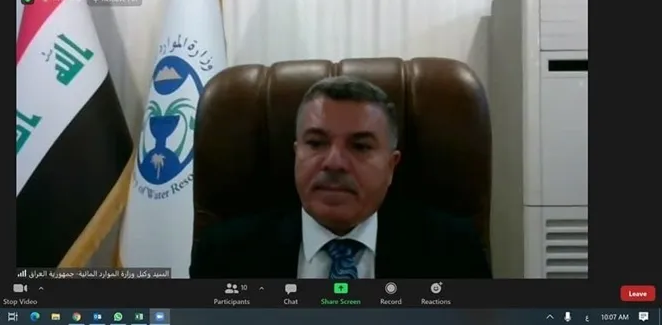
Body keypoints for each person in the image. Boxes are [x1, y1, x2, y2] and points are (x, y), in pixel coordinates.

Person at [190, 76, 491, 279]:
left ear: (391, 166)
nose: (334, 163)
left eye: (360, 146)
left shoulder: (453, 254)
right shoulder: (223, 257)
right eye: (316, 143)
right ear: (296, 154)